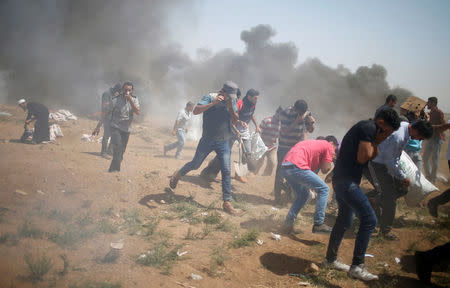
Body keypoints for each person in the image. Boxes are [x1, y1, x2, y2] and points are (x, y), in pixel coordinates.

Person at [324, 108, 401, 282]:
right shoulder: (369, 128)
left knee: (344, 220)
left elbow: (375, 154)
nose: (387, 136)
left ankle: (330, 259)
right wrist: (378, 139)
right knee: (370, 220)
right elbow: (363, 157)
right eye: (388, 132)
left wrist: (377, 142)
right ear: (381, 124)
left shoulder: (368, 130)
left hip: (342, 181)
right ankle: (357, 266)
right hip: (347, 183)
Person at [169, 81, 239, 215]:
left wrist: (230, 107)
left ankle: (227, 202)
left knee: (226, 169)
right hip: (208, 139)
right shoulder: (210, 97)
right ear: (222, 91)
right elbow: (196, 111)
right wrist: (213, 104)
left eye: (232, 97)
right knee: (195, 164)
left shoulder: (233, 101)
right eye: (228, 96)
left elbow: (235, 120)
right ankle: (178, 174)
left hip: (224, 141)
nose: (230, 98)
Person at [364, 120, 433, 240]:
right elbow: (390, 162)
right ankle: (385, 231)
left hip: (384, 163)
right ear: (416, 130)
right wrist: (402, 176)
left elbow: (394, 157)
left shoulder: (405, 126)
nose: (417, 139)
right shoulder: (399, 137)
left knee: (402, 189)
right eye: (419, 136)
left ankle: (372, 201)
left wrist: (400, 175)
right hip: (374, 163)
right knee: (389, 197)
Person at [280, 136, 339, 235]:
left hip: (286, 167)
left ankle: (287, 225)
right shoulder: (328, 145)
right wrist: (330, 159)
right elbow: (325, 170)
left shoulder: (311, 144)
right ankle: (318, 223)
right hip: (297, 166)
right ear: (332, 143)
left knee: (303, 195)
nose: (334, 153)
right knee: (324, 189)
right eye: (335, 150)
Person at [200, 88, 260, 183]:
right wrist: (236, 130)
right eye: (255, 98)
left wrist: (257, 126)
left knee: (247, 154)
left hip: (244, 131)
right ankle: (209, 172)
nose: (257, 100)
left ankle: (239, 175)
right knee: (224, 153)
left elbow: (252, 115)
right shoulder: (240, 104)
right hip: (231, 130)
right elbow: (231, 117)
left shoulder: (253, 105)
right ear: (249, 97)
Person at [273, 100, 315, 205]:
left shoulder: (306, 113)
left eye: (302, 113)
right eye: (299, 112)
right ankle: (277, 196)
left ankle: (289, 192)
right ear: (295, 109)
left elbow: (309, 130)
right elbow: (284, 131)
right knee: (280, 171)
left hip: (297, 147)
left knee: (295, 171)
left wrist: (311, 123)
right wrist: (297, 121)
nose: (301, 115)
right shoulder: (285, 113)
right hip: (284, 146)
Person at [108, 82, 140, 172]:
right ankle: (116, 171)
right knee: (117, 148)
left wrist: (130, 100)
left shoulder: (134, 99)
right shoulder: (116, 99)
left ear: (132, 91)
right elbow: (107, 112)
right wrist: (98, 126)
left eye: (129, 90)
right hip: (115, 127)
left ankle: (111, 170)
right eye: (126, 90)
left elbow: (137, 112)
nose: (127, 92)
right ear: (122, 90)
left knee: (121, 151)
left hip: (126, 129)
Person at [93, 83, 121, 159]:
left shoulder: (114, 95)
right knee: (106, 135)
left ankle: (110, 151)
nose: (118, 93)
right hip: (107, 117)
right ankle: (103, 152)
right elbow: (105, 106)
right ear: (116, 90)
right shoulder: (107, 94)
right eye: (118, 92)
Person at [422, 97, 445, 183]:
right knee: (425, 158)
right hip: (430, 138)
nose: (427, 104)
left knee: (434, 159)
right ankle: (428, 176)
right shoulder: (429, 113)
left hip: (437, 139)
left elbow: (444, 125)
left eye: (428, 102)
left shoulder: (439, 113)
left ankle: (433, 179)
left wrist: (435, 129)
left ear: (433, 103)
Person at [254, 107, 282, 176]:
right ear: (276, 113)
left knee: (272, 162)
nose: (280, 117)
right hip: (262, 144)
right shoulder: (267, 120)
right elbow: (259, 131)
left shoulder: (281, 124)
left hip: (272, 146)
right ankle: (253, 174)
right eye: (279, 115)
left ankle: (266, 176)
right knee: (259, 162)